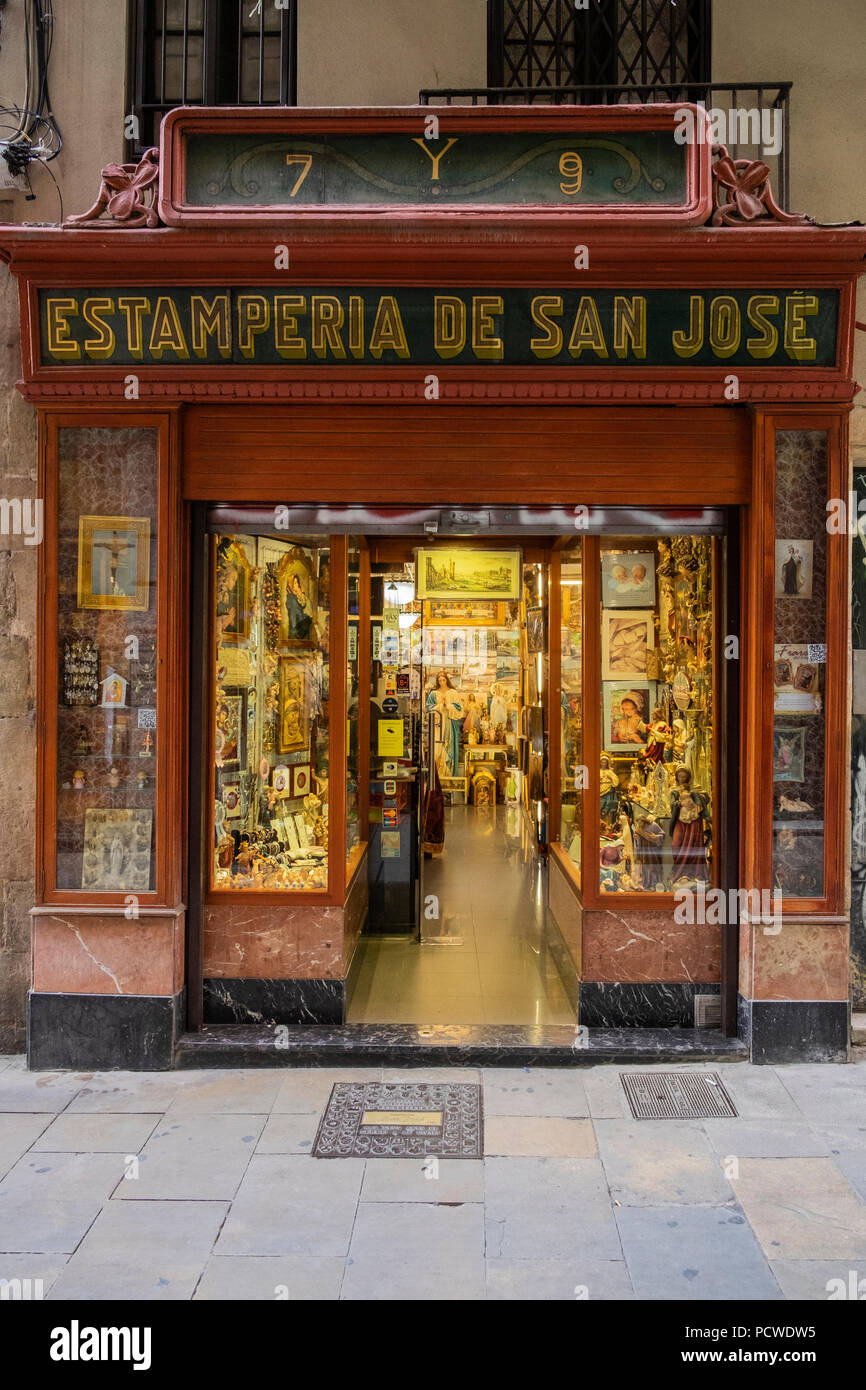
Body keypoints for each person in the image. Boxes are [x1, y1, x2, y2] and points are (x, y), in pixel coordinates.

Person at [669, 766, 709, 883]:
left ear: (688, 777)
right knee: (676, 845)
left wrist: (693, 797)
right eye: (679, 776)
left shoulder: (695, 788)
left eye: (684, 776)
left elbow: (706, 798)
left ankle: (692, 873)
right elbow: (672, 805)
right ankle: (680, 872)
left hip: (694, 821)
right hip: (680, 821)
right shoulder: (674, 790)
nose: (682, 778)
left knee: (694, 845)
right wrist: (679, 803)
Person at [425, 672, 465, 777]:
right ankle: (437, 775)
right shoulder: (433, 693)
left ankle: (448, 774)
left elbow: (459, 708)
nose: (442, 682)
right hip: (437, 725)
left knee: (449, 747)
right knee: (437, 749)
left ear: (447, 680)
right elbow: (428, 708)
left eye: (443, 680)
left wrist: (448, 706)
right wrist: (440, 706)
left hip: (449, 723)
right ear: (437, 682)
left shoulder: (453, 692)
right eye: (439, 680)